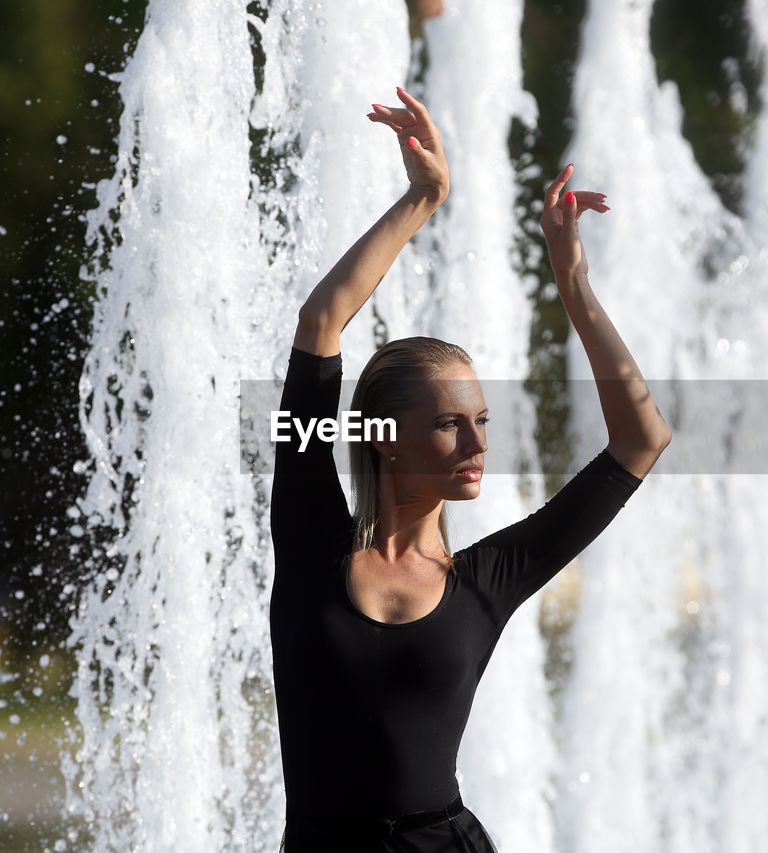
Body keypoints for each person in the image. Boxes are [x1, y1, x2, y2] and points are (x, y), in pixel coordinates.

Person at [268, 86, 671, 853]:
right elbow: (321, 323)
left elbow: (641, 439)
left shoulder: (488, 579)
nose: (478, 444)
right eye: (451, 425)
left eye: (481, 422)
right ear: (386, 437)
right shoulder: (312, 537)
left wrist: (575, 290)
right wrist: (425, 198)